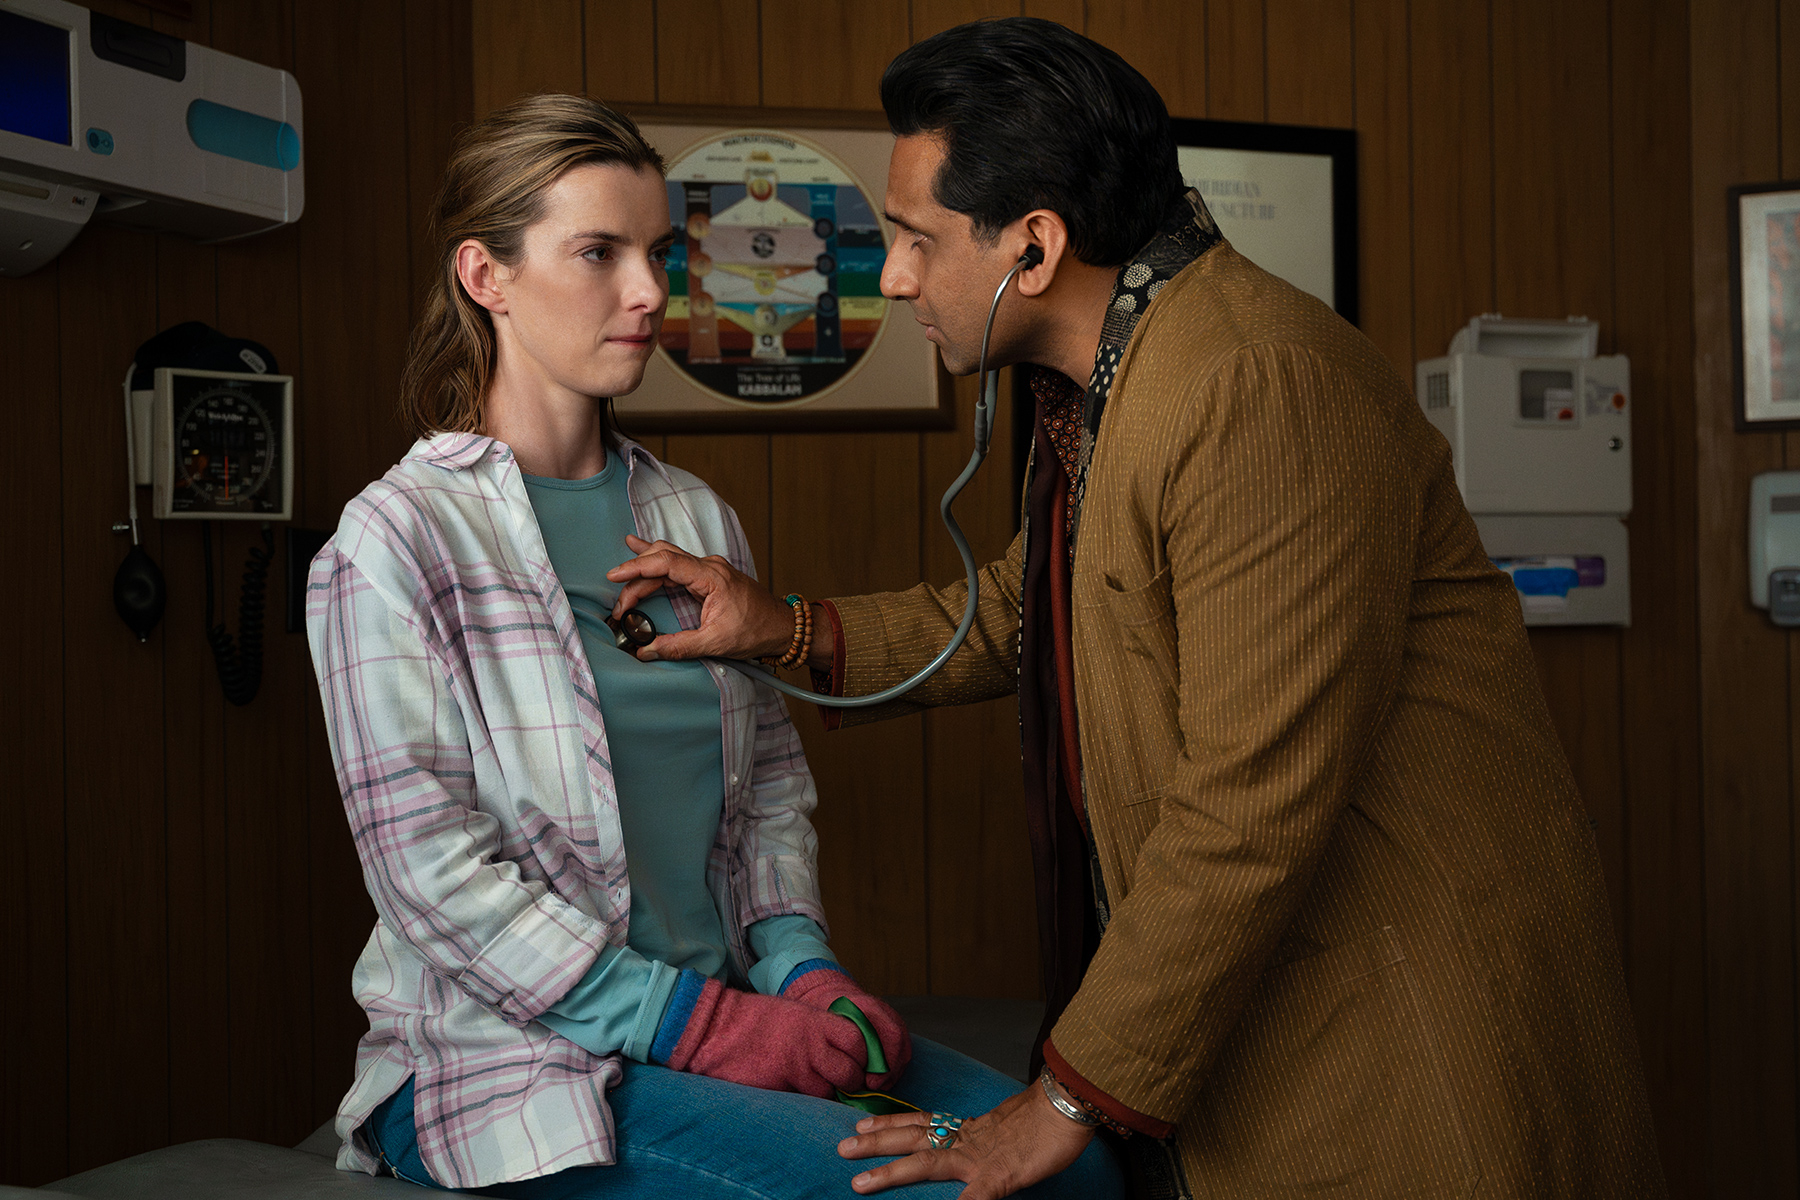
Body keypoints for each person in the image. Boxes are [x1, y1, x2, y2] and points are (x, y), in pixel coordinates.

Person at [604, 19, 1670, 1200]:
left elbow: (1253, 803)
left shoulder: (1257, 383)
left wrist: (1060, 1102)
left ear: (1036, 246)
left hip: (1402, 1026)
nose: (896, 274)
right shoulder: (1116, 375)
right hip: (1260, 1016)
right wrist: (781, 628)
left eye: (914, 239)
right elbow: (1032, 608)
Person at [304, 93, 1123, 1199]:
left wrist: (802, 970)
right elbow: (432, 878)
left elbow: (768, 787)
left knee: (1075, 1173)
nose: (647, 292)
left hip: (736, 1017)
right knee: (941, 1194)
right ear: (484, 277)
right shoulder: (394, 541)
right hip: (525, 1066)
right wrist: (700, 1028)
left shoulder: (690, 517)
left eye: (654, 252)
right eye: (597, 252)